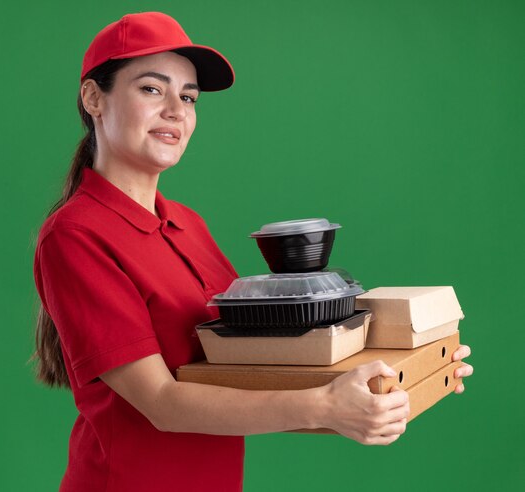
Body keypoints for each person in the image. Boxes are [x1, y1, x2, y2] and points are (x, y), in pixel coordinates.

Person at [32, 11, 473, 492]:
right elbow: (161, 402)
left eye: (188, 97)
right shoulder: (76, 235)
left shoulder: (186, 224)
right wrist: (325, 405)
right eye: (152, 89)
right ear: (94, 97)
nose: (177, 111)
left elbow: (246, 368)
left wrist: (408, 376)